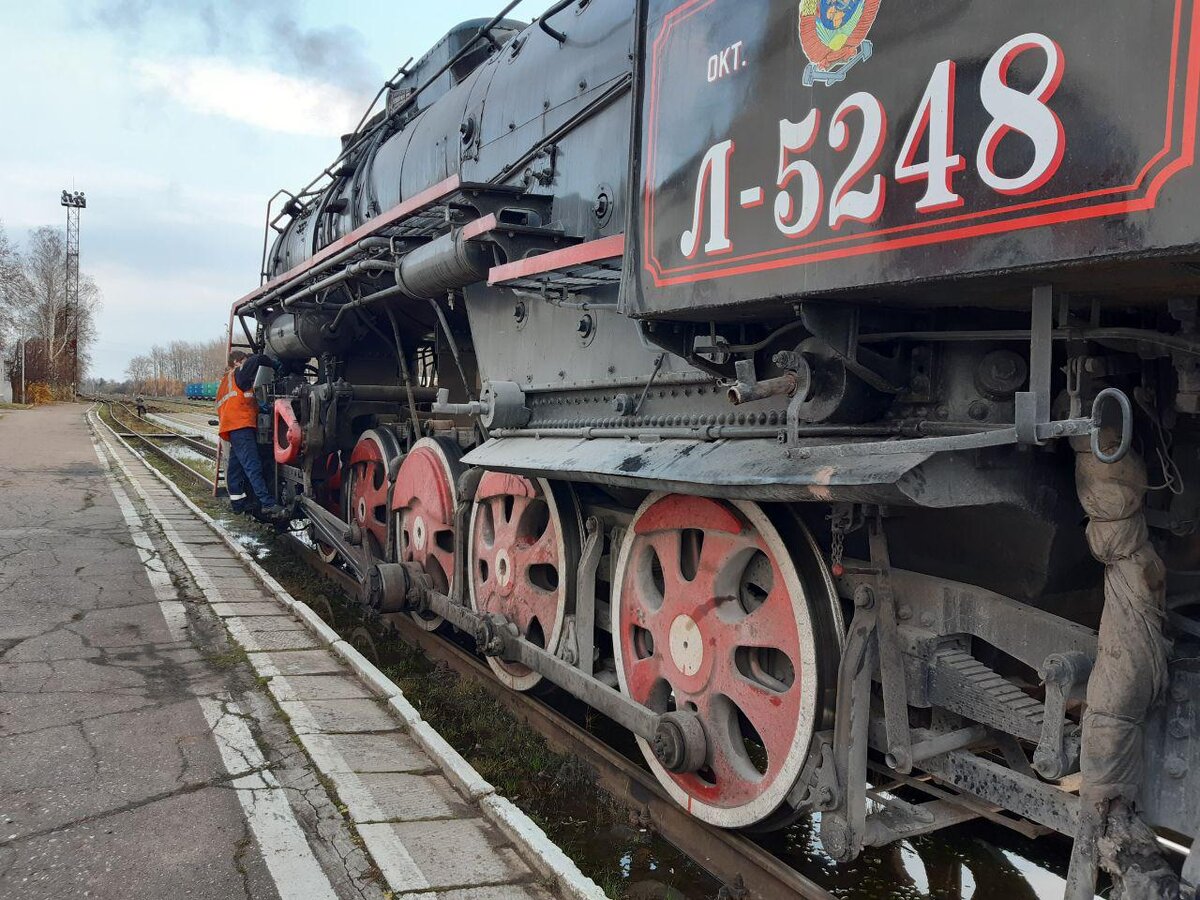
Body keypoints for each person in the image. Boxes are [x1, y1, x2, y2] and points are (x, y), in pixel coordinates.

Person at [217, 350, 288, 522]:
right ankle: (267, 503)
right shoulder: (239, 373)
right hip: (241, 426)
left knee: (235, 467)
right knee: (252, 465)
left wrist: (264, 408)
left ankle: (238, 504)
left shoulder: (227, 381)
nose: (247, 366)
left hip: (232, 427)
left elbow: (246, 401)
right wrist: (275, 364)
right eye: (244, 362)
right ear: (237, 362)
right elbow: (257, 359)